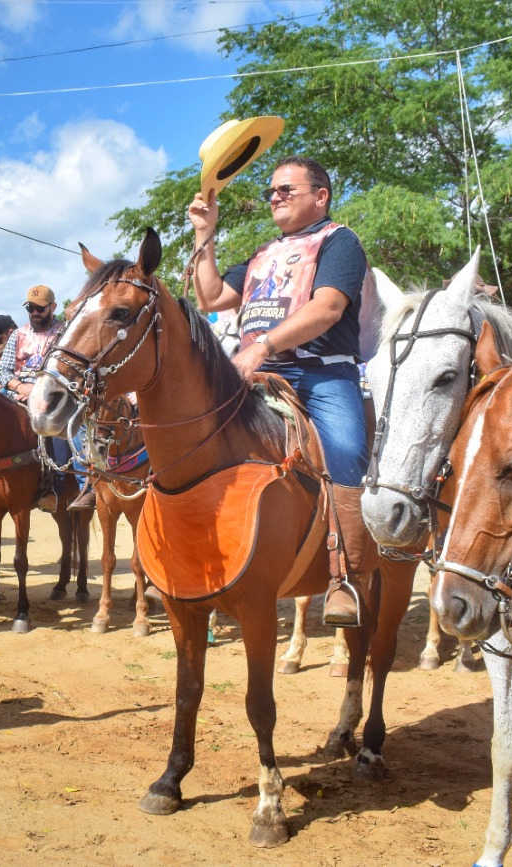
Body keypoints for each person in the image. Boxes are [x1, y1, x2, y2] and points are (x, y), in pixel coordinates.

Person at [188, 154, 380, 627]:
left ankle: (346, 577)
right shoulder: (262, 255)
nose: (274, 197)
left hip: (321, 375)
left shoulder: (339, 242)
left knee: (345, 451)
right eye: (271, 191)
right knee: (192, 433)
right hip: (255, 376)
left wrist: (263, 346)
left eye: (285, 190)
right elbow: (210, 297)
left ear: (321, 196)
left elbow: (328, 308)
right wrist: (204, 233)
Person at [0, 285, 94, 511]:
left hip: (54, 393)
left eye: (40, 308)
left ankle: (81, 486)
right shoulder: (18, 335)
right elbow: (4, 371)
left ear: (53, 307)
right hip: (17, 392)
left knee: (72, 425)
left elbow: (73, 368)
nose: (34, 312)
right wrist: (21, 386)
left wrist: (38, 390)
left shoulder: (66, 333)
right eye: (30, 308)